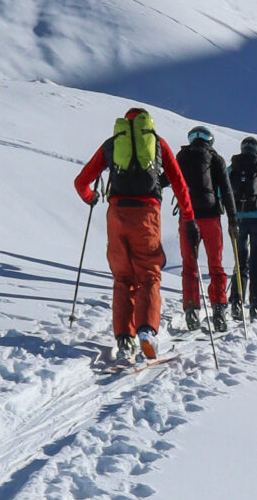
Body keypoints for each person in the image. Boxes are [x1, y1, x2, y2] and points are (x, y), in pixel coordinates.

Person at [74, 106, 195, 362]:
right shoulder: (158, 144)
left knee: (122, 277)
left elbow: (81, 181)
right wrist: (189, 218)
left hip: (117, 213)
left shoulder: (112, 144)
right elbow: (179, 182)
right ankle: (146, 333)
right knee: (149, 275)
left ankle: (123, 338)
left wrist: (91, 197)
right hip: (147, 214)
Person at [176, 125, 237, 332]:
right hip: (211, 217)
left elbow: (168, 180)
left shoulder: (182, 156)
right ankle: (218, 309)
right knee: (215, 265)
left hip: (187, 217)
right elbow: (227, 191)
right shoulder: (216, 158)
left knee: (189, 266)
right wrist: (233, 220)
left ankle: (191, 310)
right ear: (210, 140)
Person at [228, 135, 257, 319]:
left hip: (238, 220)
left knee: (240, 263)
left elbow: (220, 191)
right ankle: (256, 304)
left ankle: (236, 303)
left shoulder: (232, 168)